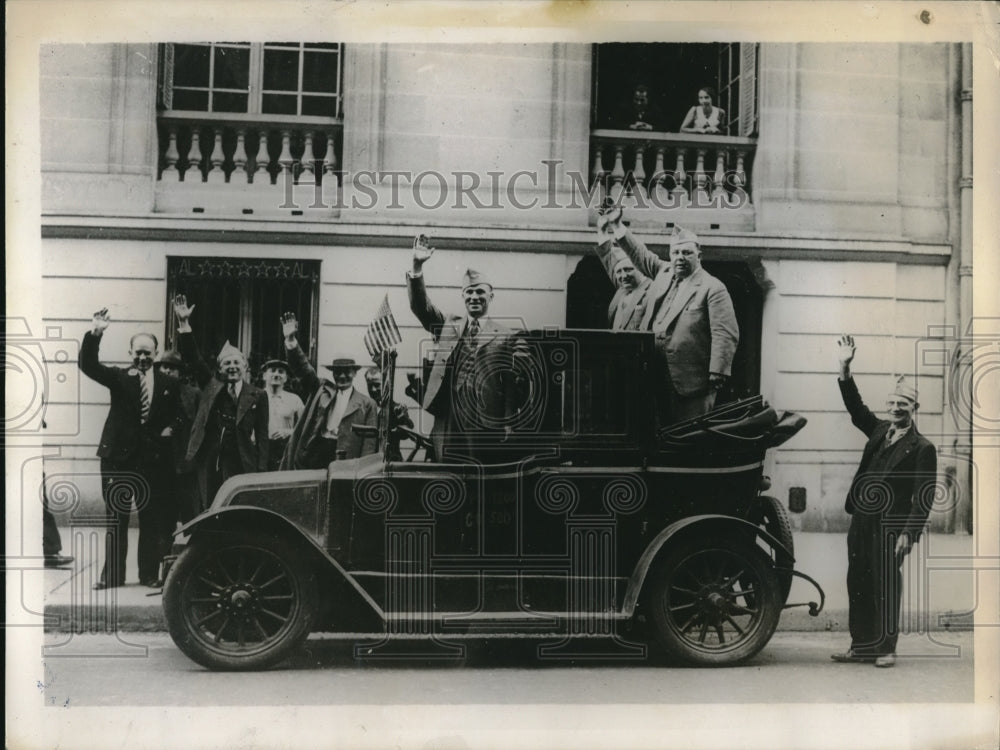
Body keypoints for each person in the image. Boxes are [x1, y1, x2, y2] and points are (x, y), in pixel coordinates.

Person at [831, 335, 938, 669]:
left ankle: (887, 648)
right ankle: (861, 645)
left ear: (914, 409)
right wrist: (845, 368)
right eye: (892, 404)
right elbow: (855, 408)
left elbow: (924, 496)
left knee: (885, 585)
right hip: (862, 519)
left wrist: (909, 534)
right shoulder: (878, 430)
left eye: (902, 405)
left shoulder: (922, 448)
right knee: (858, 581)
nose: (895, 409)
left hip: (891, 525)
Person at [599, 207, 739, 424]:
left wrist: (717, 372)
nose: (680, 258)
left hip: (692, 381)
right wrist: (617, 227)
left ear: (699, 255)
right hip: (655, 373)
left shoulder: (713, 287)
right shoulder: (664, 273)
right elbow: (640, 254)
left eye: (686, 253)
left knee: (689, 437)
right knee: (659, 434)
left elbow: (724, 332)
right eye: (675, 253)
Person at [78, 308, 180, 589]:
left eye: (148, 353)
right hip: (117, 461)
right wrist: (96, 332)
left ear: (157, 354)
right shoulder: (118, 378)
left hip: (151, 462)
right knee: (116, 520)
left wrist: (172, 428)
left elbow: (180, 415)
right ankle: (112, 577)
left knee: (150, 520)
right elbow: (88, 364)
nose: (143, 357)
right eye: (138, 352)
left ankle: (148, 575)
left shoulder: (170, 383)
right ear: (130, 352)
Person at [406, 234, 528, 462]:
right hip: (449, 421)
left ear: (491, 296)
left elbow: (514, 385)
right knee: (446, 482)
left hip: (486, 425)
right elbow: (421, 307)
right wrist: (417, 267)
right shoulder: (449, 325)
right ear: (463, 296)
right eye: (469, 292)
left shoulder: (508, 336)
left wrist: (509, 421)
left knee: (480, 486)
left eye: (480, 292)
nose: (474, 297)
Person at [173, 295, 269, 505]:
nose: (232, 366)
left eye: (237, 362)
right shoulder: (211, 385)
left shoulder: (258, 395)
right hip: (211, 458)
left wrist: (261, 469)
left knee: (237, 505)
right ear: (220, 369)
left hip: (242, 460)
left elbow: (262, 434)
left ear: (245, 367)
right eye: (227, 363)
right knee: (210, 502)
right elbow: (194, 358)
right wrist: (184, 324)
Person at [279, 313, 377, 468]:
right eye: (338, 371)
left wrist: (364, 471)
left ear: (355, 373)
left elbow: (369, 444)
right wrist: (291, 341)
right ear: (332, 373)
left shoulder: (367, 404)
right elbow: (303, 368)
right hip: (317, 453)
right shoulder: (322, 390)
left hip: (346, 461)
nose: (342, 376)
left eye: (347, 371)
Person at [154, 350, 203, 522]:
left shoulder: (193, 394)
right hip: (160, 460)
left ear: (180, 372)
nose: (167, 372)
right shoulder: (153, 391)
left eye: (172, 368)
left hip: (185, 460)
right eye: (164, 367)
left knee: (189, 509)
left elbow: (198, 426)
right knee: (163, 512)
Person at [260, 359, 304, 471]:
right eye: (273, 371)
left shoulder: (294, 399)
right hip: (260, 451)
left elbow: (305, 427)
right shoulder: (255, 398)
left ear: (285, 378)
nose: (276, 374)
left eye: (281, 372)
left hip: (286, 451)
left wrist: (288, 432)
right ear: (264, 376)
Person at [596, 244, 652, 331]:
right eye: (619, 272)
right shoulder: (622, 288)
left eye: (628, 269)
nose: (624, 276)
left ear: (640, 268)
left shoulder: (652, 289)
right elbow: (606, 257)